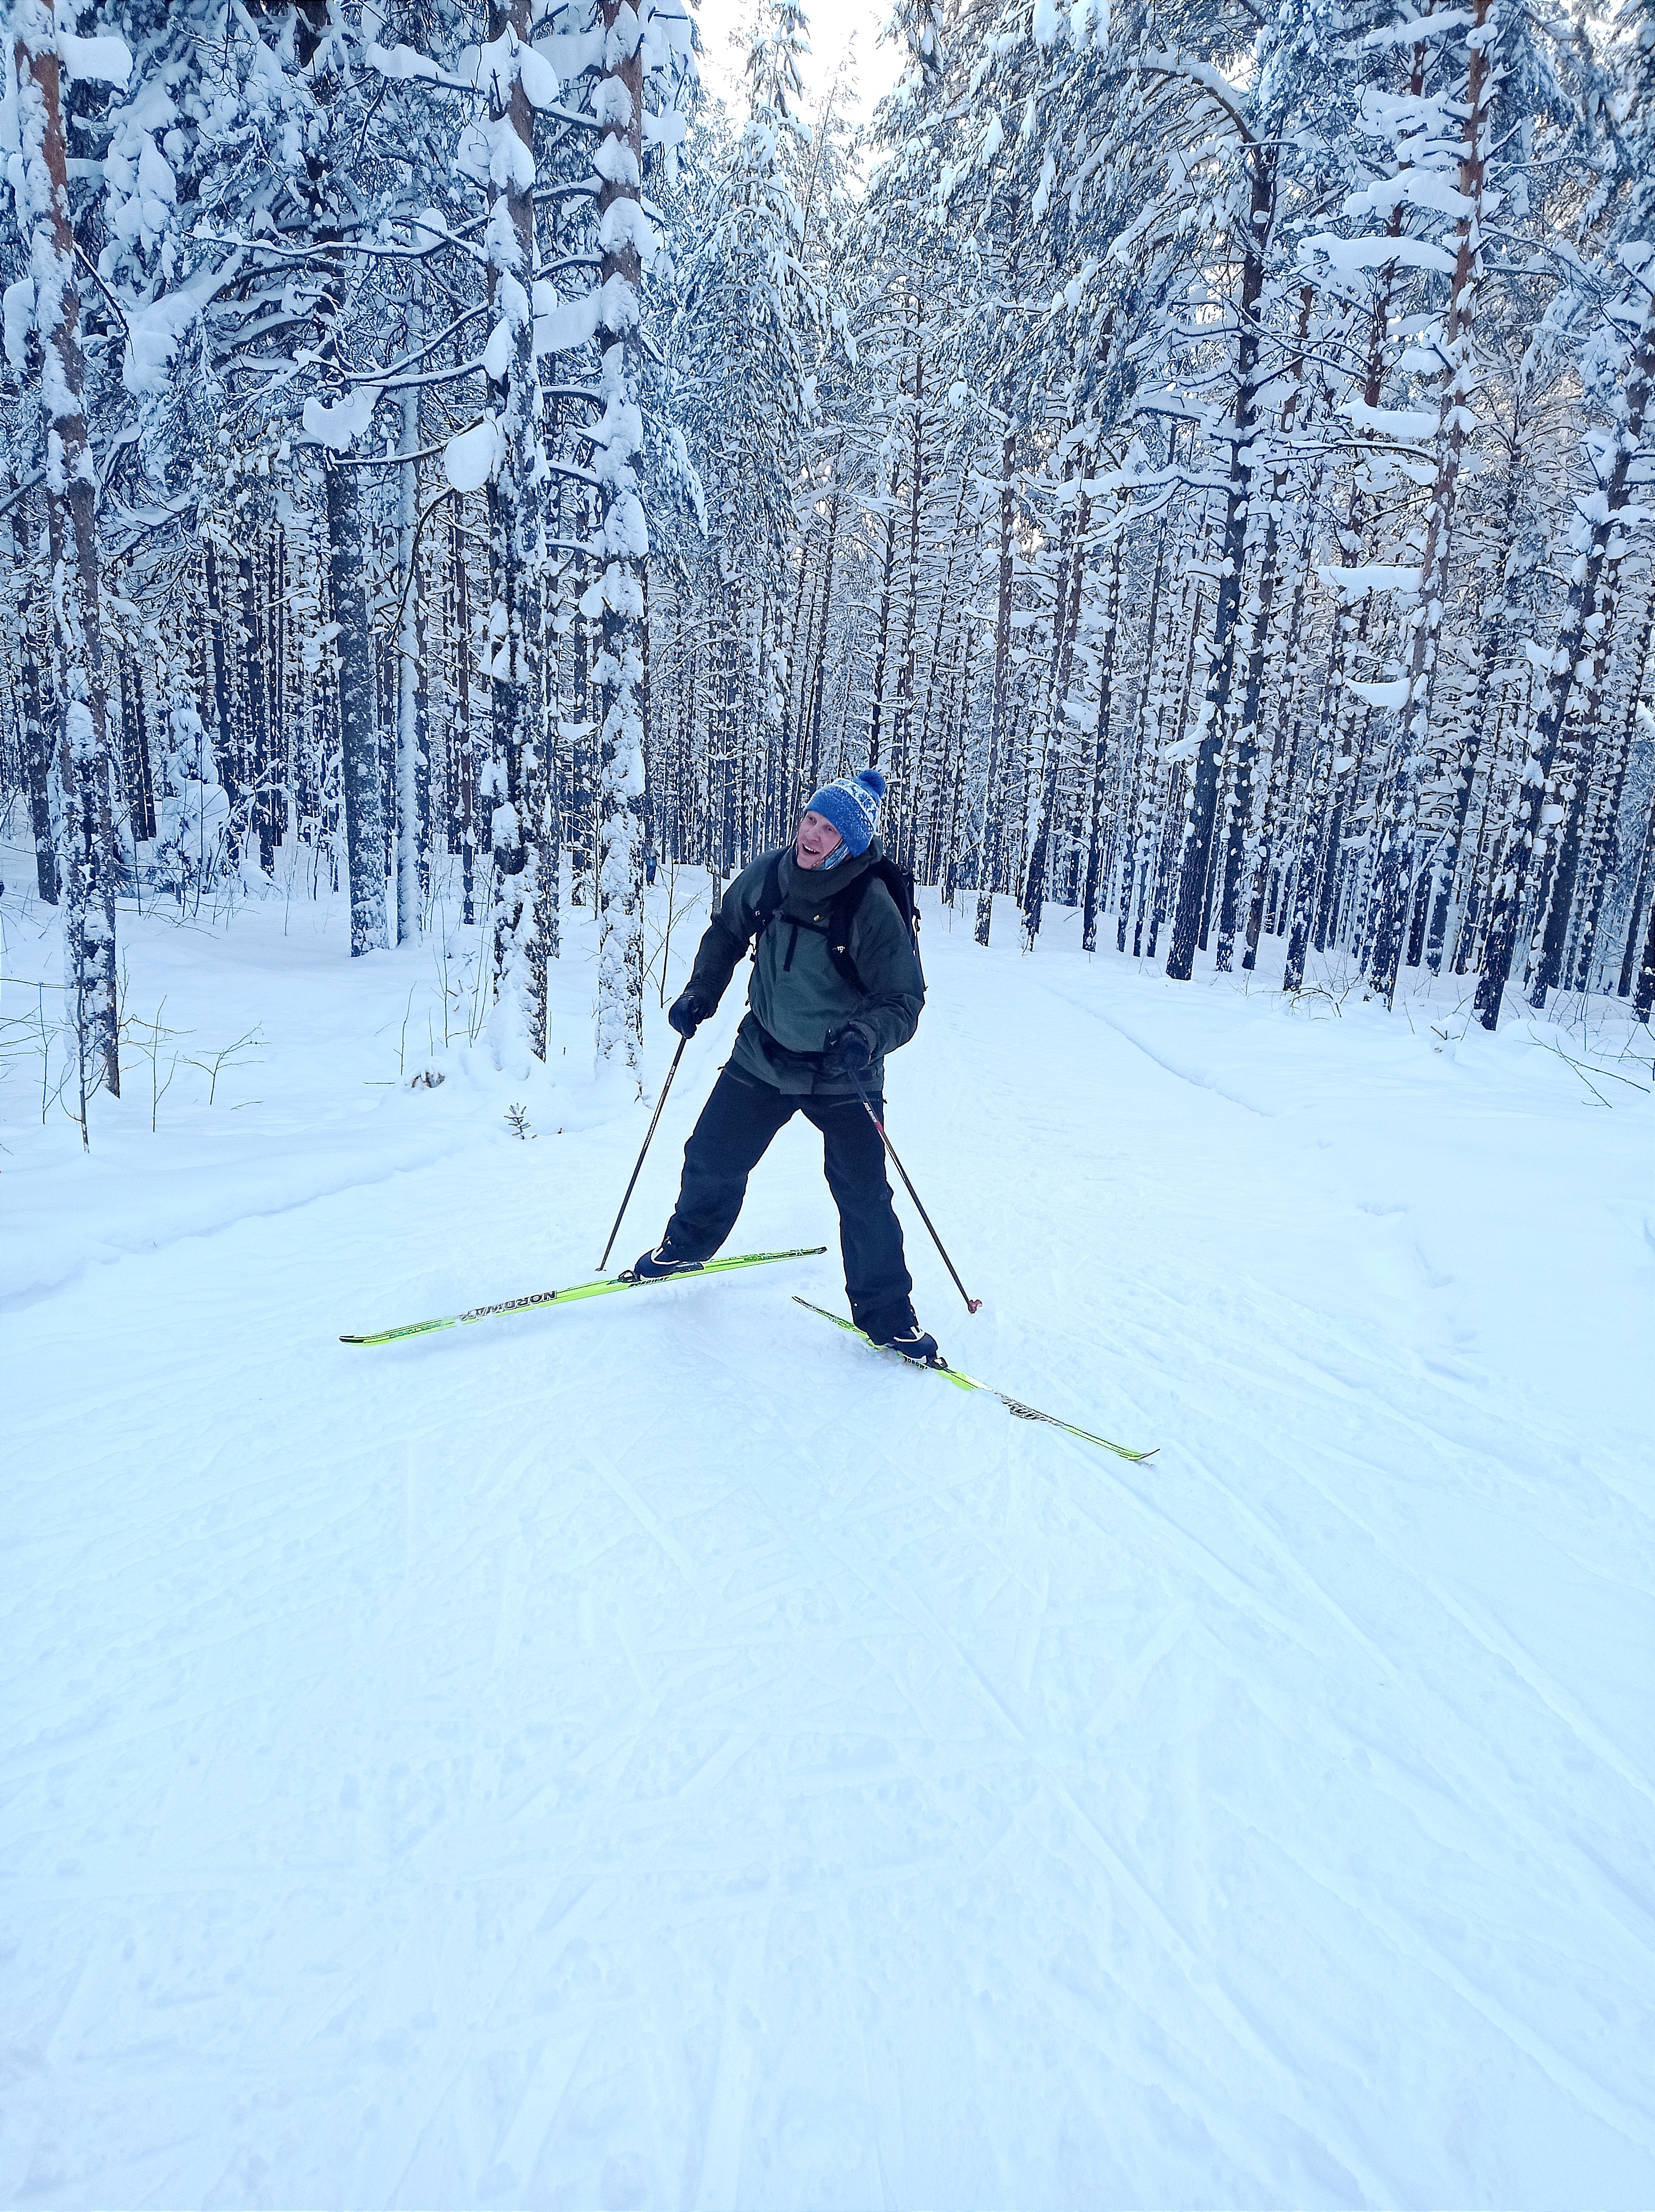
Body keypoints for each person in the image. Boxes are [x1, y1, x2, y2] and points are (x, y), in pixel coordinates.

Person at [629, 766, 940, 1363]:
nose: (812, 834)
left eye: (828, 829)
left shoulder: (872, 904)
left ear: (849, 843)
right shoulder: (770, 876)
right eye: (810, 819)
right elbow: (726, 932)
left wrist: (865, 1036)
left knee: (863, 1194)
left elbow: (904, 999)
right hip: (764, 1054)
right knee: (711, 1156)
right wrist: (702, 993)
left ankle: (888, 1318)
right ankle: (686, 1246)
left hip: (843, 1071)